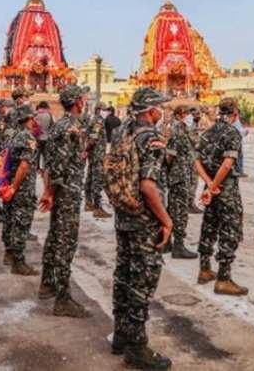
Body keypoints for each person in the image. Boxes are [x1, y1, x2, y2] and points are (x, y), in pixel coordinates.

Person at [110, 87, 173, 370]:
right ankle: (137, 348)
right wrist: (166, 220)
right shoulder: (151, 139)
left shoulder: (122, 133)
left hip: (124, 213)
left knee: (124, 274)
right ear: (150, 110)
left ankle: (121, 336)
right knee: (142, 281)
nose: (162, 111)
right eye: (160, 107)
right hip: (143, 220)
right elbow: (148, 185)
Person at [38, 85, 92, 317]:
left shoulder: (67, 125)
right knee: (65, 242)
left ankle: (47, 283)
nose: (86, 101)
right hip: (65, 192)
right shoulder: (69, 127)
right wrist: (50, 192)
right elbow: (57, 167)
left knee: (54, 236)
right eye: (84, 98)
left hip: (64, 190)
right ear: (78, 102)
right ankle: (62, 298)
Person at [195, 97, 248, 296]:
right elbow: (227, 164)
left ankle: (204, 268)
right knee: (230, 230)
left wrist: (208, 185)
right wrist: (215, 186)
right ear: (235, 114)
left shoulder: (208, 132)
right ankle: (224, 279)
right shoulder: (232, 133)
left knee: (209, 226)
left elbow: (196, 161)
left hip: (211, 186)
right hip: (225, 189)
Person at [1, 104, 39, 276]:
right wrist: (15, 187)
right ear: (28, 119)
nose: (34, 121)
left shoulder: (13, 135)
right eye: (33, 118)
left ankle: (9, 253)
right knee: (21, 223)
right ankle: (18, 261)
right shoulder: (27, 137)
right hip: (21, 188)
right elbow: (24, 165)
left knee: (10, 220)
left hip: (10, 184)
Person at [165, 105, 198, 259]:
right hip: (179, 177)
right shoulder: (177, 131)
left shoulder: (184, 130)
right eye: (186, 113)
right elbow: (170, 156)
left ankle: (166, 242)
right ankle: (178, 246)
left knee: (173, 209)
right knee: (179, 211)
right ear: (179, 115)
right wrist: (173, 171)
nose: (189, 116)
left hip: (183, 174)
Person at [85, 101, 111, 218]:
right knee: (97, 179)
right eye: (105, 109)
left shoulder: (93, 119)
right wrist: (87, 149)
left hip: (93, 153)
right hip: (97, 153)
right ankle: (97, 207)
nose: (106, 112)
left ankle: (88, 202)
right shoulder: (98, 120)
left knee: (90, 176)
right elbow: (93, 138)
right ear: (99, 109)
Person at [185, 107, 204, 214]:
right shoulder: (190, 125)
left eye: (199, 114)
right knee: (192, 181)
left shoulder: (193, 124)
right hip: (190, 157)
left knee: (193, 181)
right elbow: (194, 141)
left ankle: (190, 202)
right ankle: (189, 203)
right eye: (196, 114)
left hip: (192, 156)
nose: (198, 116)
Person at [35, 100, 54, 170]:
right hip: (46, 137)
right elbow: (52, 125)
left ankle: (37, 167)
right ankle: (45, 167)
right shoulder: (49, 114)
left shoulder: (36, 114)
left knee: (37, 154)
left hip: (37, 138)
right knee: (45, 154)